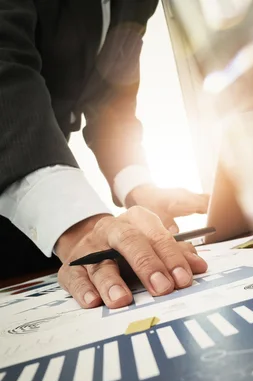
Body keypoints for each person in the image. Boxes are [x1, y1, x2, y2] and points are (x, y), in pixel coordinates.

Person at [0, 0, 209, 308]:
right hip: (25, 174)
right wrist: (81, 224)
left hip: (36, 223)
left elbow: (112, 102)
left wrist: (139, 188)